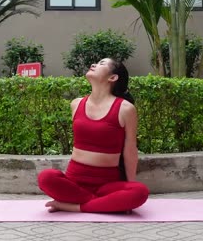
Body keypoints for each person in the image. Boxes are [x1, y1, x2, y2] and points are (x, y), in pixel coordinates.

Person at [37, 57, 149, 213]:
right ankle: (103, 205)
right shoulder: (76, 104)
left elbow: (130, 150)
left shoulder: (125, 109)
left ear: (113, 77)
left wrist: (130, 186)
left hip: (107, 185)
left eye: (102, 63)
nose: (94, 65)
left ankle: (73, 206)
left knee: (139, 192)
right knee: (46, 177)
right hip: (74, 182)